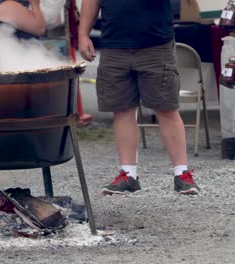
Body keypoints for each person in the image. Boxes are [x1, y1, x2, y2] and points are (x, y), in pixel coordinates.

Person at [78, 0, 201, 195]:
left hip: (156, 44)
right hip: (114, 45)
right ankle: (128, 174)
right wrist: (83, 34)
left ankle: (182, 174)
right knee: (122, 110)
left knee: (166, 108)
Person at [0, 0, 93, 125]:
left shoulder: (19, 4)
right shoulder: (8, 5)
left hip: (20, 64)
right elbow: (39, 28)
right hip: (10, 68)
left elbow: (48, 22)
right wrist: (35, 5)